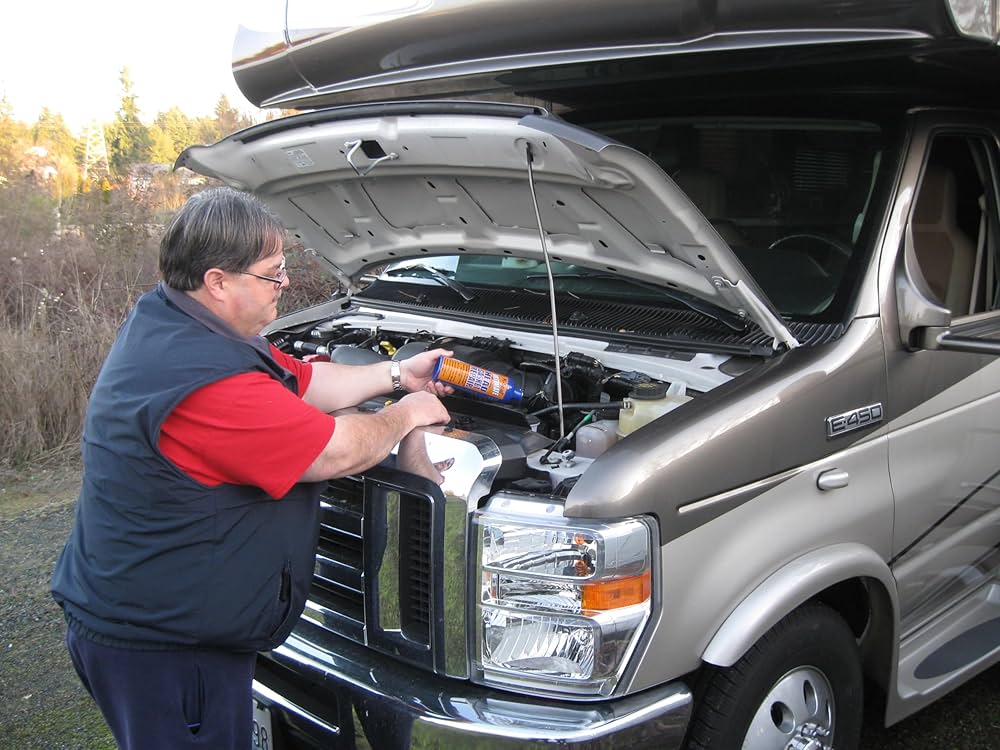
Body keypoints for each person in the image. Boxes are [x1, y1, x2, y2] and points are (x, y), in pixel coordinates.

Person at [50, 186, 451, 750]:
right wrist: (405, 414)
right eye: (272, 273)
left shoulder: (180, 323)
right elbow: (333, 451)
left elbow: (305, 381)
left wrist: (396, 375)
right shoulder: (204, 383)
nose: (285, 284)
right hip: (166, 648)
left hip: (170, 619)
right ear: (218, 280)